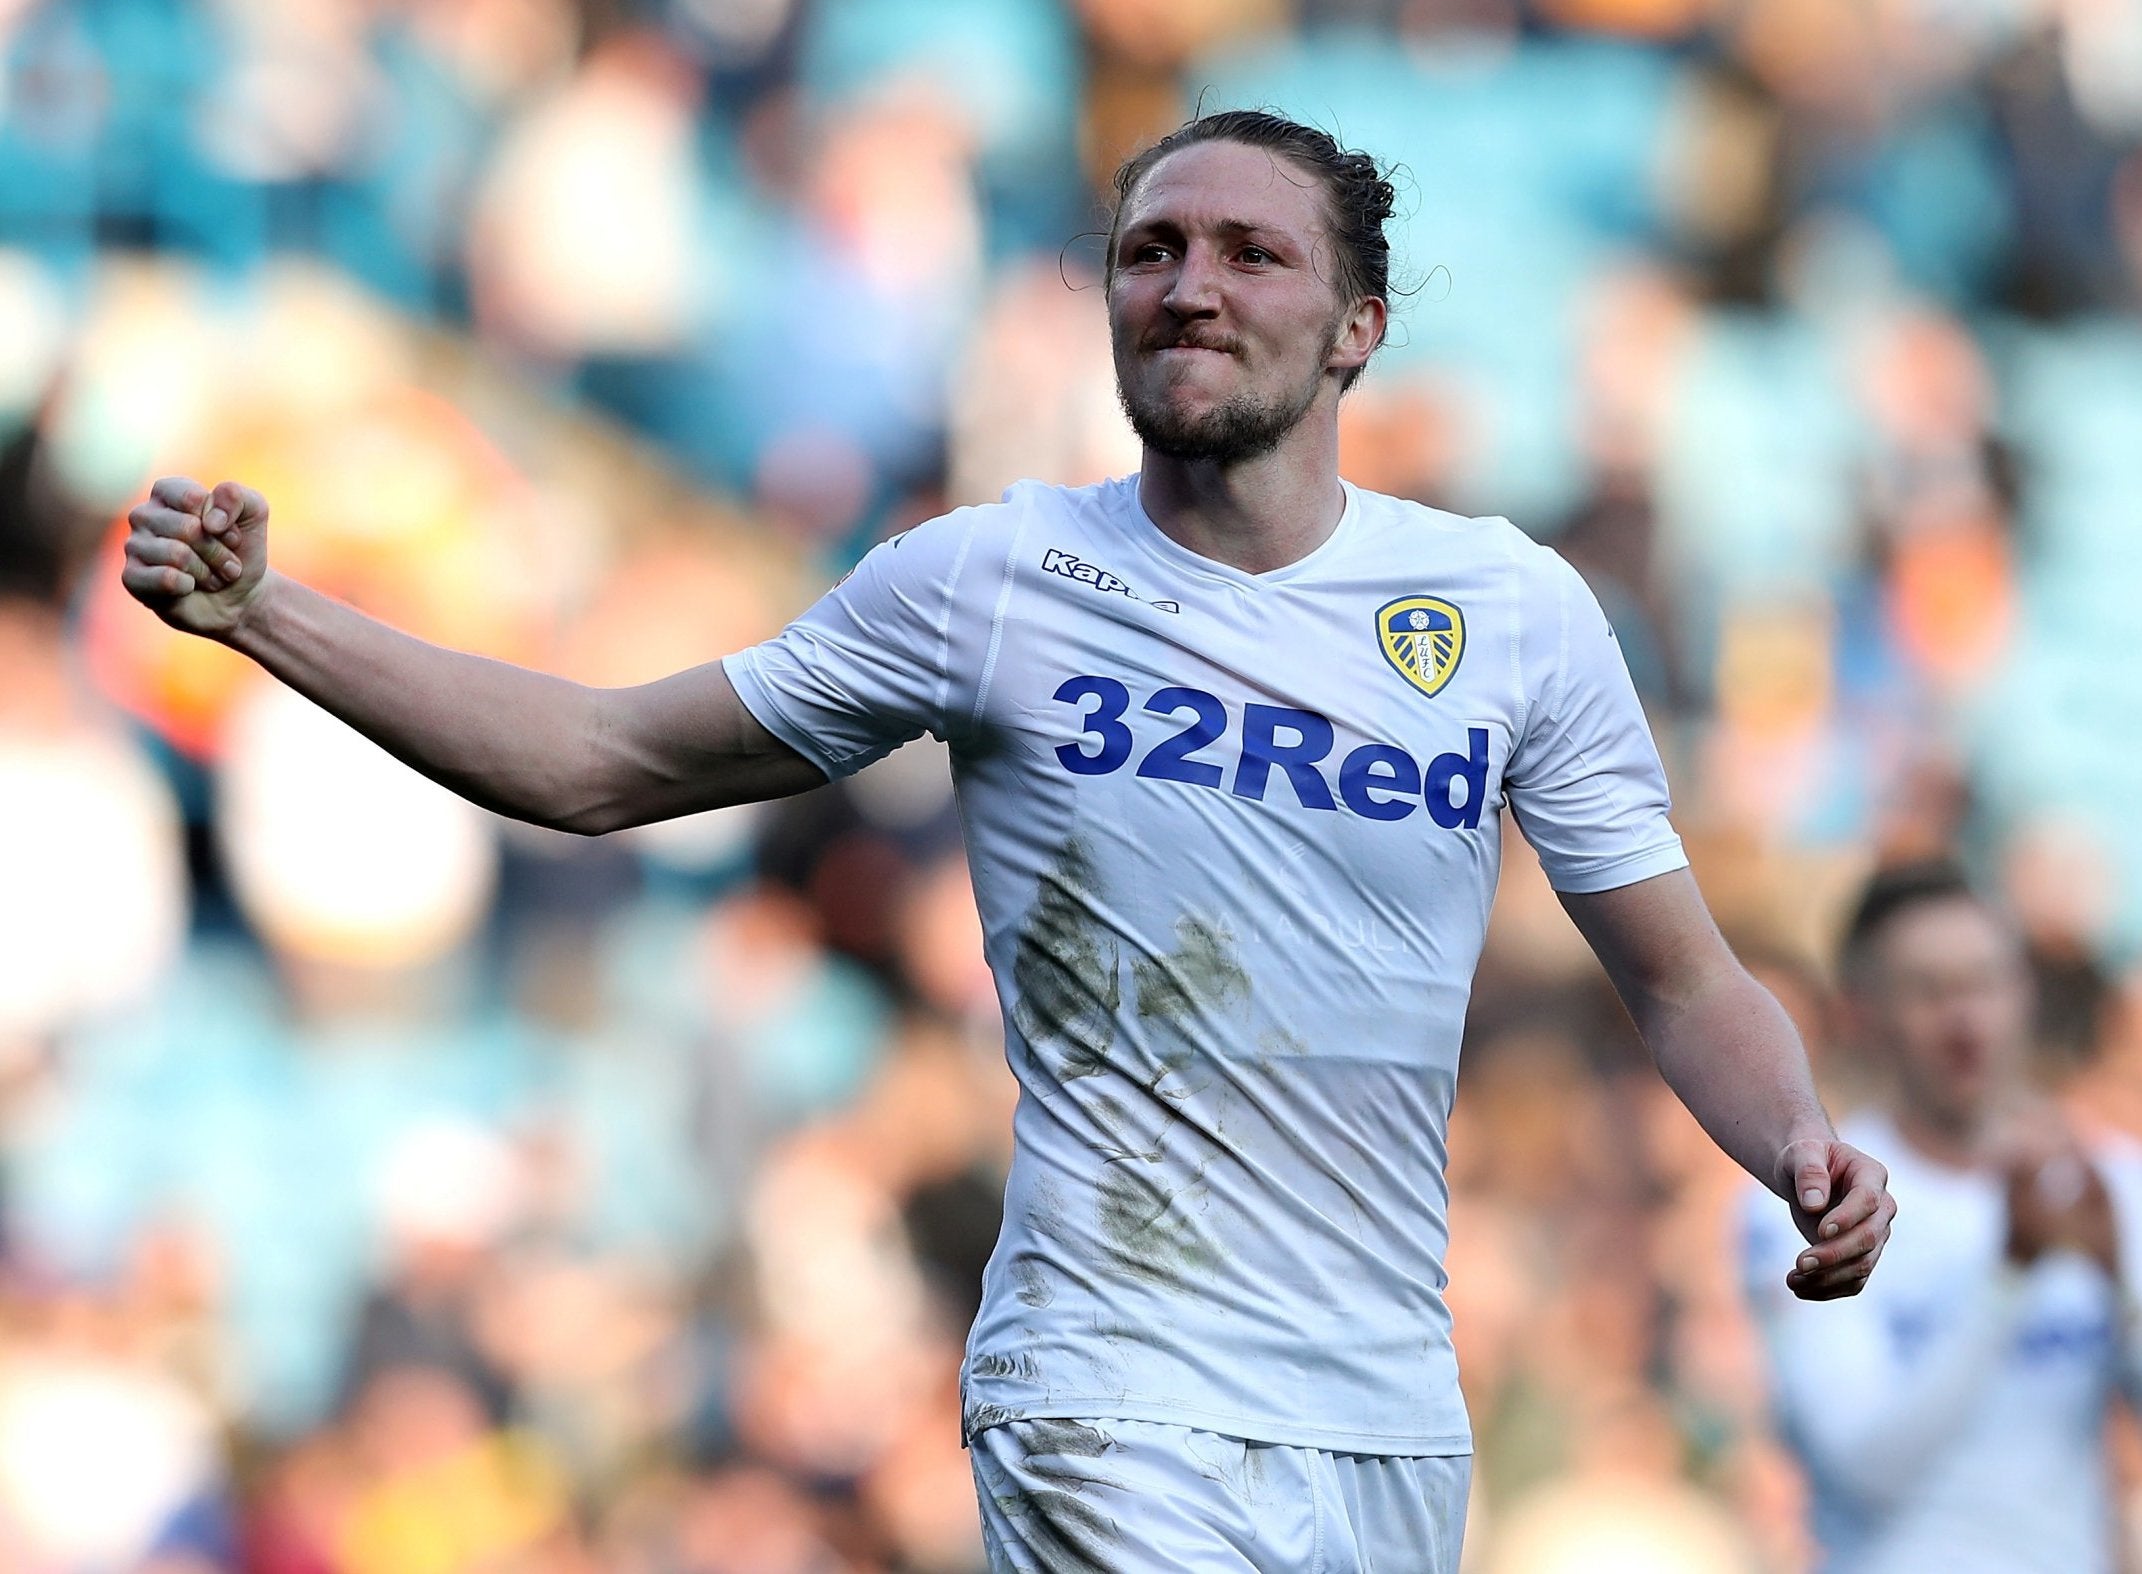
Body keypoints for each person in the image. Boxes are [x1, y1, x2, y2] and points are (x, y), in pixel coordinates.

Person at [123, 109, 1893, 1572]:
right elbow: (598, 760)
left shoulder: (1505, 612)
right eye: (1149, 251)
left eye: (1249, 253)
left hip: (1383, 1423)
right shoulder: (993, 582)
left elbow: (1680, 977)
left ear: (1358, 327)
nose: (1187, 285)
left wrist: (1799, 1140)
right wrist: (276, 617)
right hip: (1108, 1390)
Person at [1742, 860, 2142, 1573]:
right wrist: (2010, 1275)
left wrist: (2123, 1292)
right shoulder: (1816, 1202)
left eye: (1986, 983)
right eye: (1929, 992)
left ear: (2025, 993)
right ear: (1861, 1012)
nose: (1966, 1021)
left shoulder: (2107, 1186)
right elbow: (1860, 1465)